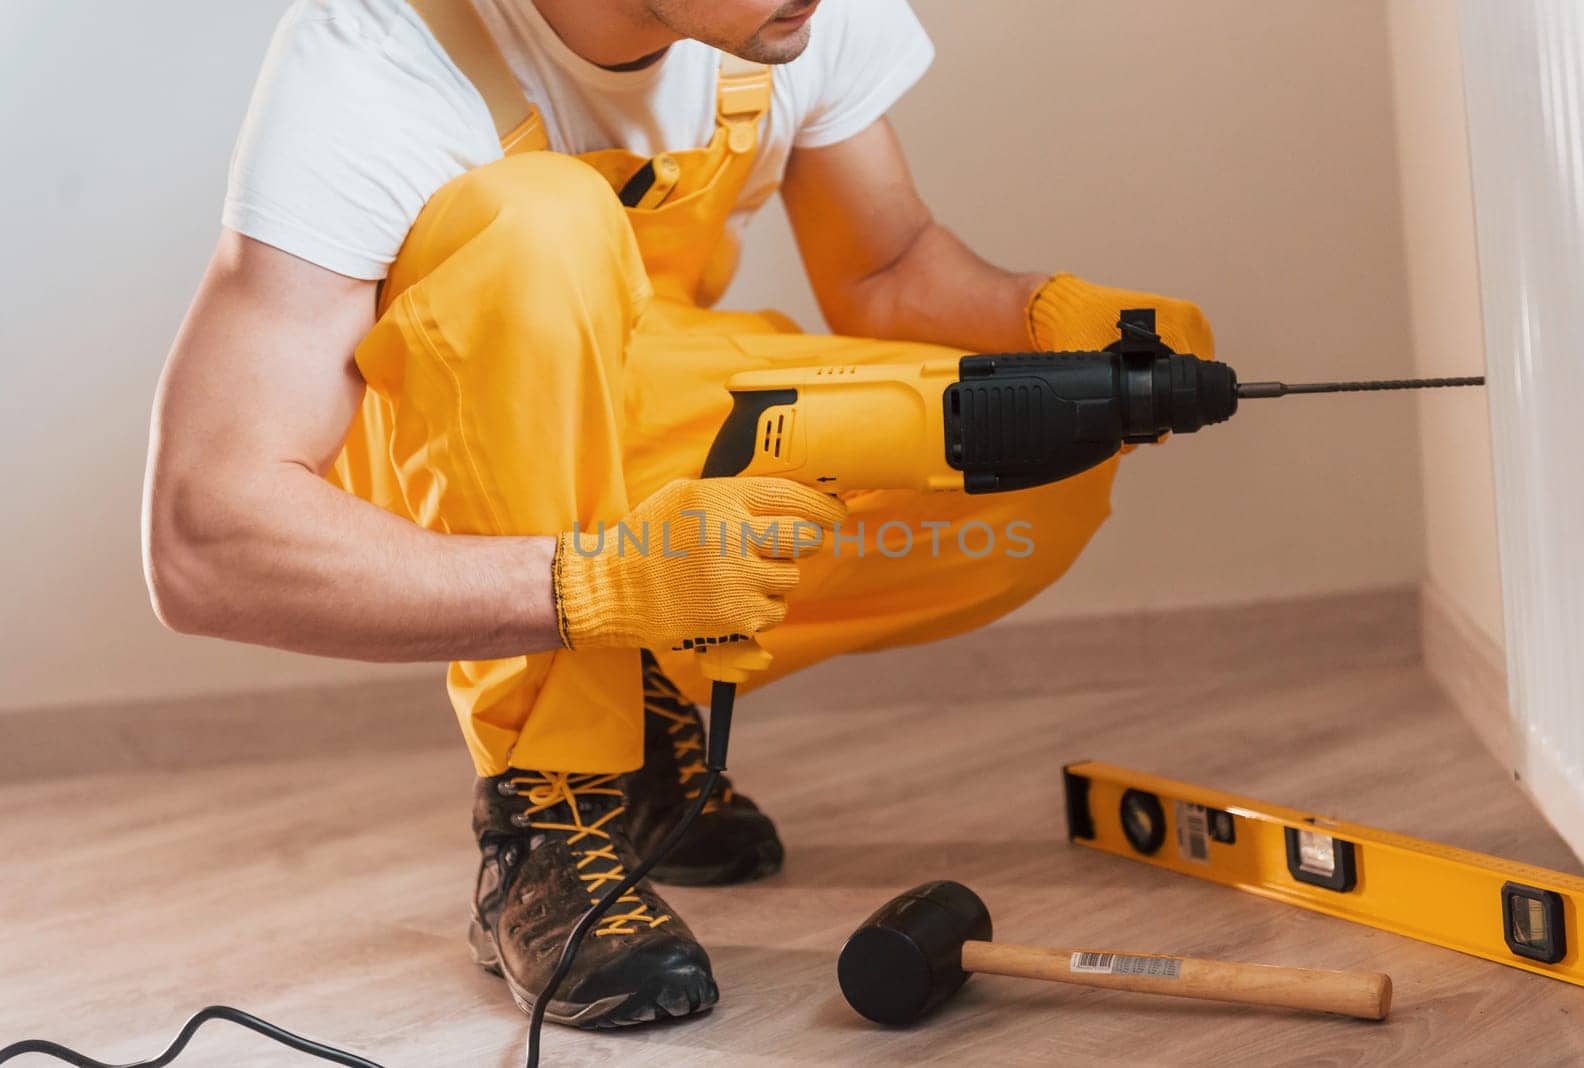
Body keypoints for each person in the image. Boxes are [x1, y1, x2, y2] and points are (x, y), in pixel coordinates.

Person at [144, 0, 1213, 1032]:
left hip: (637, 406)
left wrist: (1059, 325)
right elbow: (208, 537)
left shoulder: (778, 16)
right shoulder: (378, 56)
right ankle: (549, 812)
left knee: (1037, 447)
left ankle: (641, 686)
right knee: (536, 214)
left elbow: (885, 270)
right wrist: (595, 584)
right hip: (443, 465)